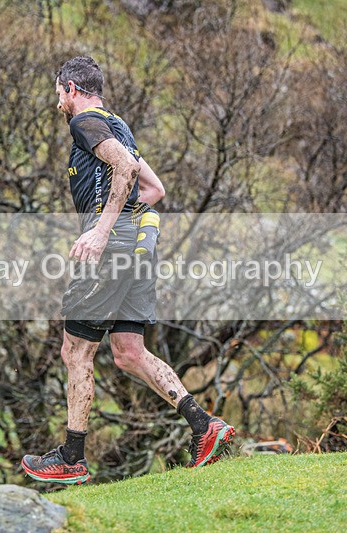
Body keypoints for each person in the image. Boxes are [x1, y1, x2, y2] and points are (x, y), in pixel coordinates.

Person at [21, 56, 234, 485]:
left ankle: (72, 457)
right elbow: (154, 188)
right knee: (129, 352)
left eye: (59, 92)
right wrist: (123, 223)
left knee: (75, 350)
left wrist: (103, 231)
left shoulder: (85, 123)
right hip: (135, 247)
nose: (58, 102)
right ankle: (204, 425)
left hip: (111, 250)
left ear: (71, 88)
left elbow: (126, 168)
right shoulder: (118, 125)